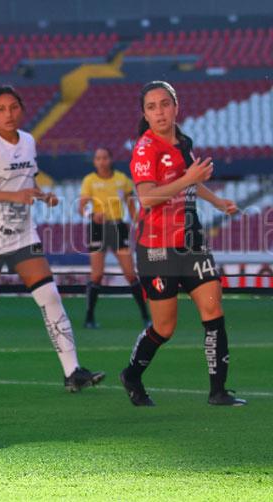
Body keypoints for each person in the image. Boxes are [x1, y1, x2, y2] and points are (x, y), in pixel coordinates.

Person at [0, 86, 106, 394]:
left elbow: (25, 181)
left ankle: (73, 372)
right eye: (1, 109)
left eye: (14, 107)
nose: (9, 114)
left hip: (21, 235)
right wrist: (12, 195)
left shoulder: (28, 141)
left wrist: (41, 195)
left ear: (22, 110)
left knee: (50, 296)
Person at [119, 81, 245, 407]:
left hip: (192, 243)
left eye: (165, 104)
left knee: (213, 308)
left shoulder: (183, 141)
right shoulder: (145, 149)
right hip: (156, 248)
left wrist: (217, 201)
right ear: (145, 115)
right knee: (164, 327)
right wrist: (190, 179)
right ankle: (131, 374)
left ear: (176, 106)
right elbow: (146, 197)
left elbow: (188, 182)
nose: (160, 112)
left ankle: (218, 391)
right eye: (152, 107)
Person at [78, 147, 150, 328]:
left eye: (104, 157)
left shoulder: (122, 179)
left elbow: (131, 205)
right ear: (94, 162)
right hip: (97, 227)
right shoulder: (89, 181)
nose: (101, 161)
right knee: (97, 275)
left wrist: (137, 223)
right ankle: (89, 318)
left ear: (110, 159)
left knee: (130, 274)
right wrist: (91, 215)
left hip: (118, 226)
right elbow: (81, 207)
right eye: (98, 158)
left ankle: (146, 316)